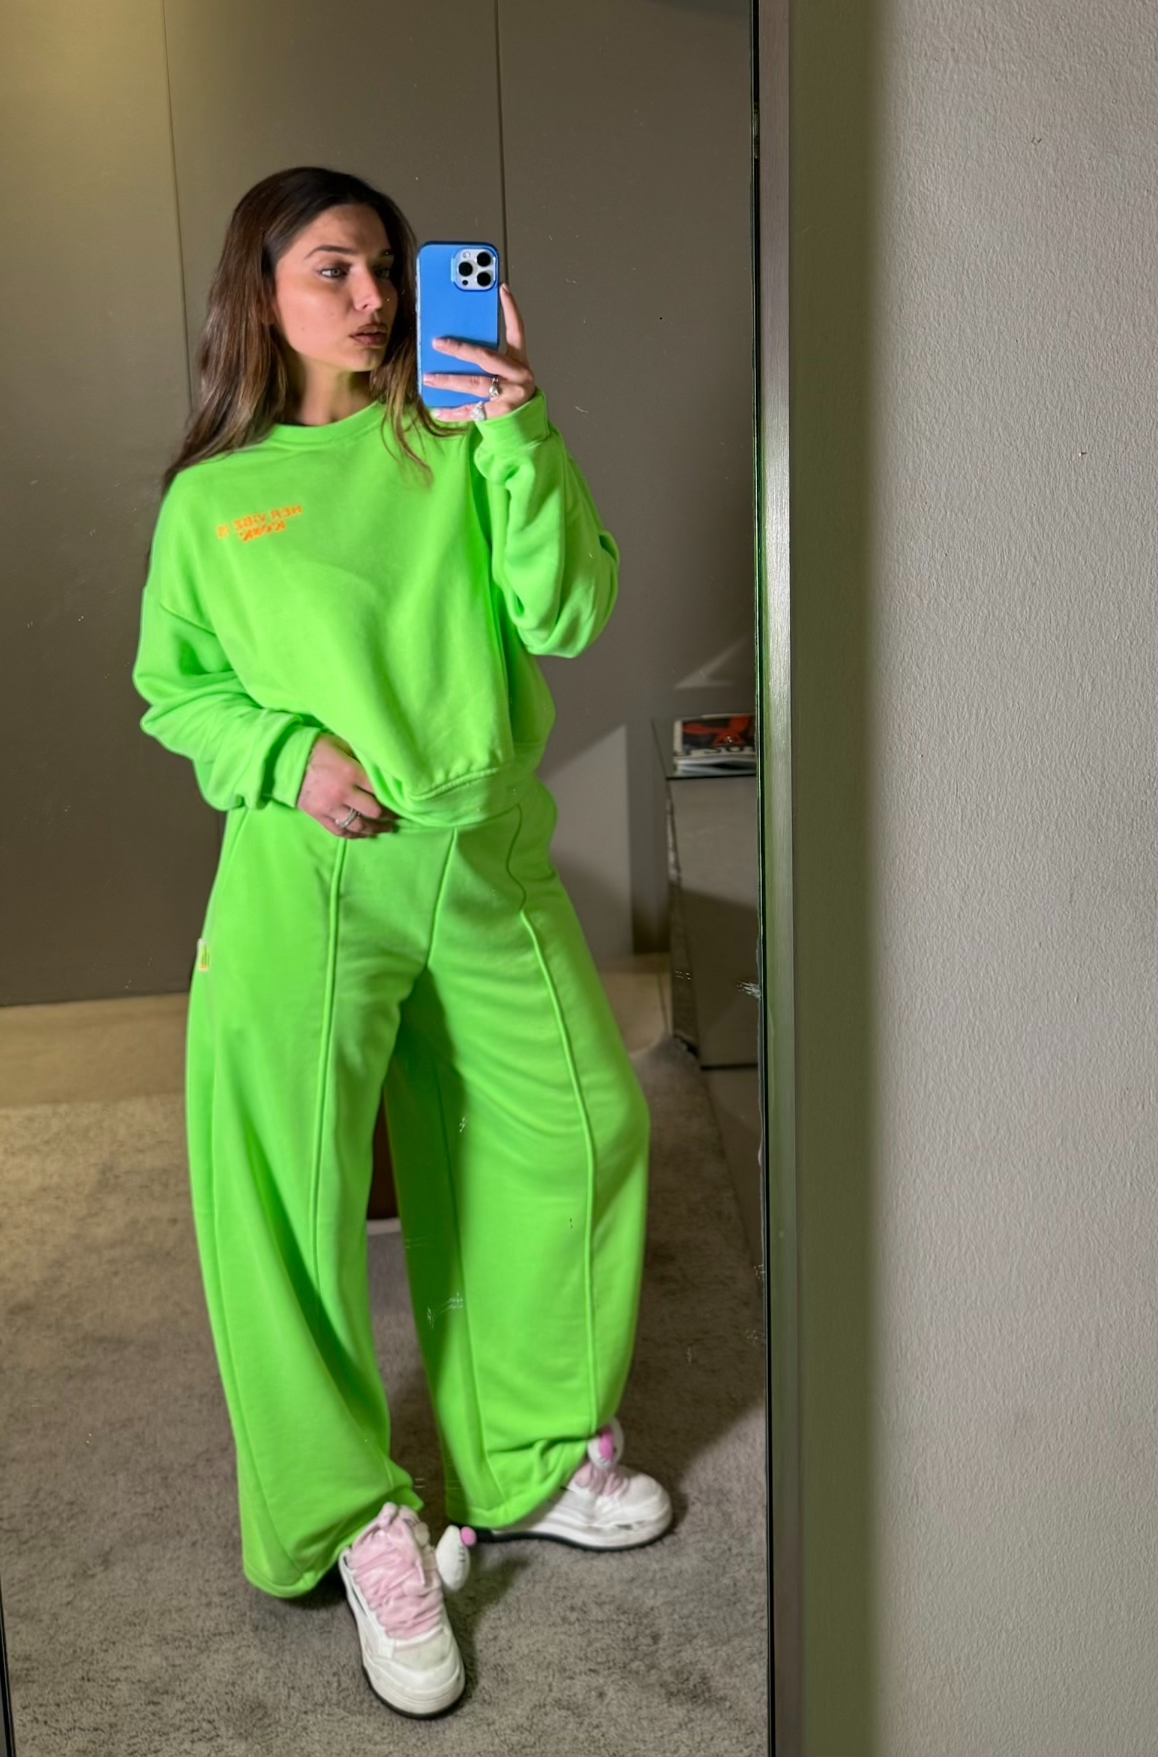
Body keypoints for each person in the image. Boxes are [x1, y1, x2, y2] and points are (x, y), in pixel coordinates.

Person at [130, 164, 672, 1719]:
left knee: (577, 1128)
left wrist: (518, 423)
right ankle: (348, 1518)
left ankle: (530, 1454)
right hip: (307, 875)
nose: (372, 298)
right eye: (334, 271)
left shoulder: (458, 439)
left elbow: (564, 613)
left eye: (387, 268)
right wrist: (286, 754)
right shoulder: (213, 502)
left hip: (483, 852)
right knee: (282, 1192)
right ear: (261, 294)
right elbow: (177, 688)